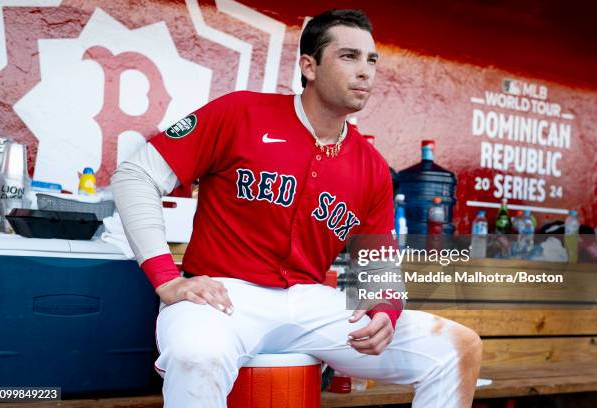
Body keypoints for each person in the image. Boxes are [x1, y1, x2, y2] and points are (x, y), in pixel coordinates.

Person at [111, 9, 482, 407]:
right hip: (224, 293)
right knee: (196, 356)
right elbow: (134, 176)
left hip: (310, 302)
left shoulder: (371, 165)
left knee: (458, 350)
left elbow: (377, 263)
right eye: (349, 57)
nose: (365, 72)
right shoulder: (241, 112)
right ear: (309, 65)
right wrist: (167, 279)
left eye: (371, 60)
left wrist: (385, 311)